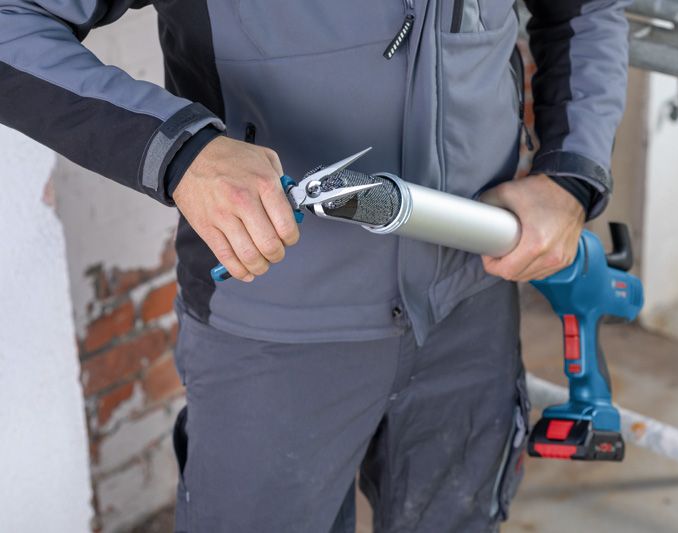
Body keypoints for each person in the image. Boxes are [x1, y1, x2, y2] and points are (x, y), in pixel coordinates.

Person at [0, 1, 630, 531]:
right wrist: (180, 153)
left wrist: (570, 176)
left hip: (471, 300)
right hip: (275, 329)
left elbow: (585, 10)